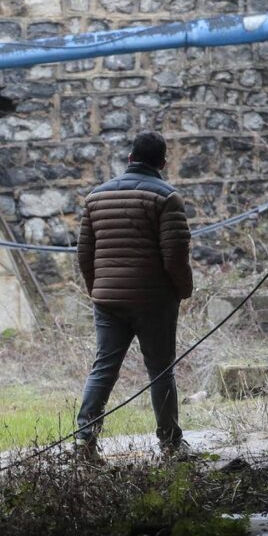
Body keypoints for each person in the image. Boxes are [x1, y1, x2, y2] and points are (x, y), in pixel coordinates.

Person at [74, 131, 194, 462]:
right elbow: (175, 256)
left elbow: (84, 254)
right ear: (163, 163)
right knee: (161, 370)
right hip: (154, 301)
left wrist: (98, 289)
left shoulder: (95, 198)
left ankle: (84, 441)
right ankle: (170, 444)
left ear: (130, 159)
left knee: (103, 368)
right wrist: (183, 290)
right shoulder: (167, 198)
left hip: (108, 301)